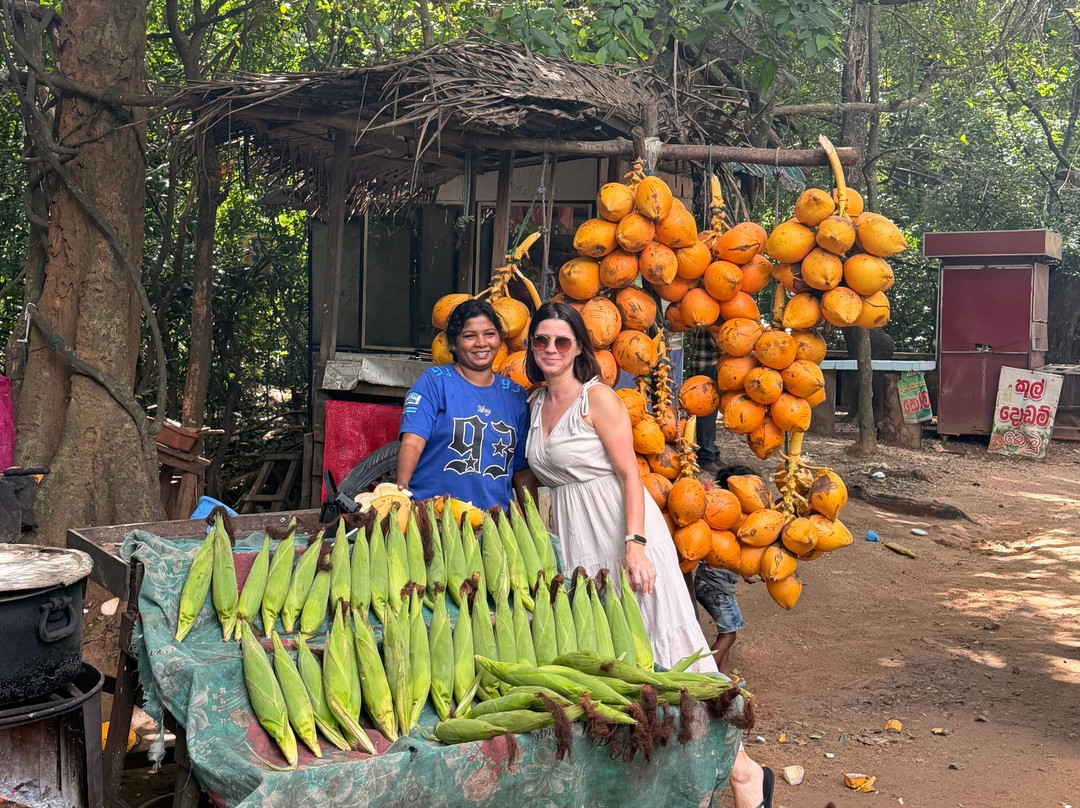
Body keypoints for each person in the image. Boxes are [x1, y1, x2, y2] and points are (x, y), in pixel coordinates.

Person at [524, 301, 771, 808]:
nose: (550, 350)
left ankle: (744, 773)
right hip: (577, 540)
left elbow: (630, 476)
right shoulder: (534, 403)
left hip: (620, 529)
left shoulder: (600, 399)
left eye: (562, 341)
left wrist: (635, 545)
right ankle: (678, 780)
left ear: (579, 349)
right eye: (541, 341)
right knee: (624, 657)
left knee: (675, 654)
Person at [396, 298, 537, 509]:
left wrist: (532, 524)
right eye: (469, 336)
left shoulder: (515, 394)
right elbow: (413, 442)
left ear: (499, 339)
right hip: (432, 516)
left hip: (492, 524)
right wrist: (401, 490)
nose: (481, 343)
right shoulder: (435, 382)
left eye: (489, 334)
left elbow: (522, 471)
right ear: (453, 343)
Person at [687, 327, 721, 474]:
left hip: (712, 363)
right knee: (706, 414)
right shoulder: (709, 310)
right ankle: (705, 457)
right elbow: (716, 334)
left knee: (712, 413)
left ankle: (712, 452)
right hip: (707, 365)